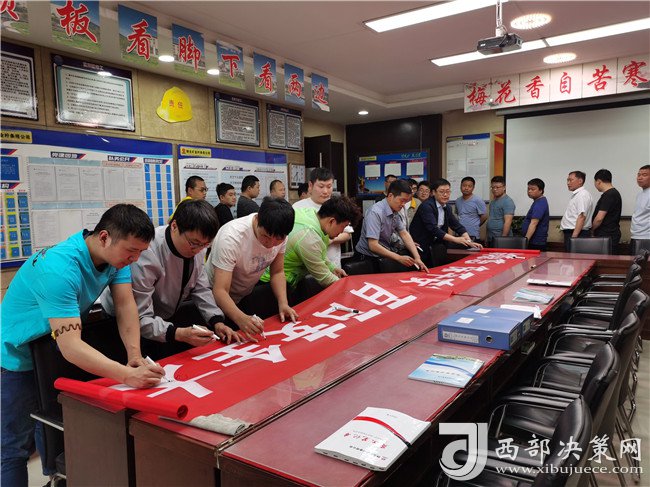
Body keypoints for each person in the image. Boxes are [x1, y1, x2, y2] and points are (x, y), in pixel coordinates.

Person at [1, 204, 164, 487]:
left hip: (49, 350)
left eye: (140, 252)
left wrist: (134, 355)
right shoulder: (59, 268)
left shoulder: (115, 261)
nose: (135, 259)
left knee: (49, 426)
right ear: (104, 237)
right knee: (13, 446)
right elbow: (72, 347)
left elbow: (125, 305)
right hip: (15, 357)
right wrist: (127, 375)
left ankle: (55, 479)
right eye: (131, 251)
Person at [100, 200, 240, 360]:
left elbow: (200, 286)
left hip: (162, 318)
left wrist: (216, 321)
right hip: (124, 321)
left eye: (205, 245)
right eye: (194, 243)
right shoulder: (146, 253)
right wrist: (177, 333)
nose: (198, 250)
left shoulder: (198, 245)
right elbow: (139, 317)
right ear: (174, 226)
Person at [206, 197, 298, 340]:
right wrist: (241, 318)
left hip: (243, 294)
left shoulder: (280, 232)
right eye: (266, 236)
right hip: (212, 300)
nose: (271, 244)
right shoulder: (231, 237)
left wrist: (283, 303)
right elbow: (220, 290)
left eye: (278, 240)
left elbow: (277, 272)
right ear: (257, 219)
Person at [262, 196, 361, 290]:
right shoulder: (308, 236)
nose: (342, 231)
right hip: (273, 283)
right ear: (332, 221)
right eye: (343, 226)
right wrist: (350, 288)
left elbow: (319, 254)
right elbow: (325, 278)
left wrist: (332, 268)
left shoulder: (312, 215)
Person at [355, 179, 427, 271]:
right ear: (390, 196)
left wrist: (417, 258)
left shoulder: (395, 210)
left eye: (406, 201)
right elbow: (373, 245)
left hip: (383, 255)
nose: (403, 205)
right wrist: (398, 258)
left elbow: (404, 234)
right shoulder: (375, 212)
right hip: (366, 258)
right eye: (402, 200)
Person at [410, 178, 482, 266]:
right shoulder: (426, 206)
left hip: (437, 245)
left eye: (448, 192)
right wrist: (456, 239)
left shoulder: (447, 207)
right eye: (441, 192)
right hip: (421, 245)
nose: (445, 195)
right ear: (433, 192)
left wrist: (469, 241)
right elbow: (433, 229)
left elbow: (457, 226)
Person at [293, 167, 352, 268]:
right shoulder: (298, 207)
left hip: (333, 265)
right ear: (310, 186)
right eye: (321, 186)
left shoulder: (338, 206)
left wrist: (331, 240)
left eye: (329, 186)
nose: (325, 191)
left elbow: (347, 234)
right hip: (305, 266)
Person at [560, 170, 594, 252]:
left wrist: (574, 238)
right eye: (567, 180)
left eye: (571, 180)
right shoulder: (578, 194)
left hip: (577, 234)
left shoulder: (582, 195)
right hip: (574, 233)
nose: (568, 183)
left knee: (574, 259)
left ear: (580, 181)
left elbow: (581, 217)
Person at [591, 169, 622, 251]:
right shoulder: (612, 193)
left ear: (598, 181)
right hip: (609, 234)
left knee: (606, 257)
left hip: (607, 235)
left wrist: (592, 229)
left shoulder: (609, 195)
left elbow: (599, 218)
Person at [454, 176, 487, 243]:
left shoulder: (478, 200)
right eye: (464, 185)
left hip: (473, 234)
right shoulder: (457, 201)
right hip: (459, 234)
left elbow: (484, 217)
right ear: (460, 186)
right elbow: (458, 215)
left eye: (469, 186)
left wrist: (476, 224)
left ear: (473, 188)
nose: (466, 188)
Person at [521, 178, 550, 251]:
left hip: (536, 243)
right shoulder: (537, 201)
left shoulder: (540, 203)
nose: (529, 191)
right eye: (528, 189)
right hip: (534, 242)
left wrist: (525, 241)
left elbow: (533, 223)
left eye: (533, 189)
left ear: (541, 190)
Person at [486, 176, 515, 245]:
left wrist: (502, 239)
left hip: (501, 239)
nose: (494, 189)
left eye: (497, 187)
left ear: (504, 188)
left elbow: (508, 222)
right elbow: (490, 219)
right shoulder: (493, 201)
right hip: (491, 237)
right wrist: (486, 237)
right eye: (492, 187)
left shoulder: (508, 201)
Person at [630, 164, 650, 252]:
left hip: (646, 237)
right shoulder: (640, 194)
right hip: (636, 235)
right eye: (638, 175)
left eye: (644, 175)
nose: (640, 178)